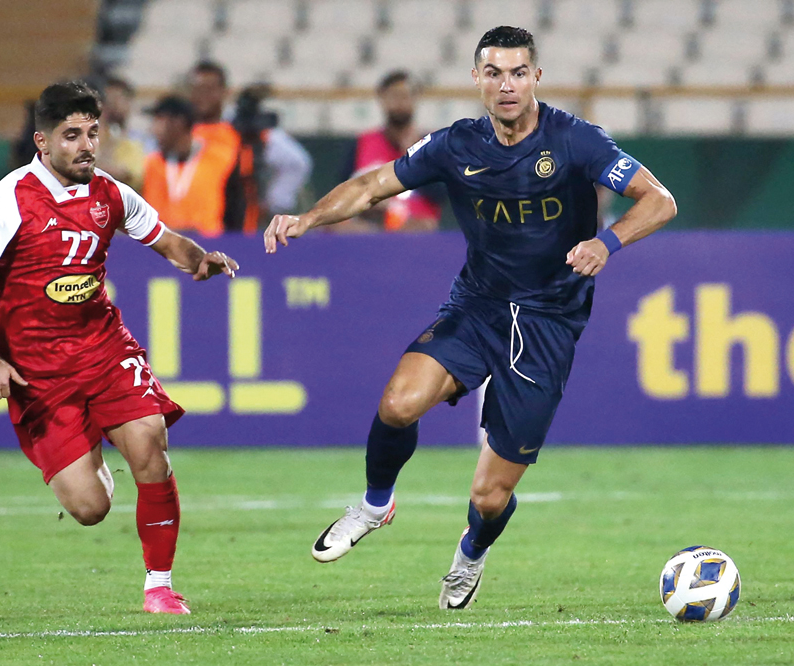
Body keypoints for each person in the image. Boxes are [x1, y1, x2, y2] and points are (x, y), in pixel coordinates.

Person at [264, 27, 677, 609]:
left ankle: (471, 554)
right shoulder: (455, 145)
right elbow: (373, 185)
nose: (505, 85)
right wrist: (307, 218)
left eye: (517, 73)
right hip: (479, 304)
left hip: (548, 322)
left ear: (535, 77)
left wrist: (607, 242)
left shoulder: (578, 141)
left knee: (489, 496)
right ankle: (375, 504)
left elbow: (660, 199)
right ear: (477, 79)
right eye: (493, 73)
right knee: (398, 404)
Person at [0, 81, 239, 614]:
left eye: (93, 133)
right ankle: (90, 453)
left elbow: (167, 239)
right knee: (89, 508)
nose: (86, 145)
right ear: (42, 142)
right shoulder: (10, 200)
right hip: (39, 373)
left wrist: (199, 258)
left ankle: (159, 586)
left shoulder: (111, 193)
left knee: (150, 442)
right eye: (71, 135)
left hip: (104, 350)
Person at [190, 61, 311, 233]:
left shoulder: (242, 130)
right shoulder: (183, 129)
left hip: (235, 221)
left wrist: (273, 203)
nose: (203, 96)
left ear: (224, 91)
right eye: (197, 89)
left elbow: (296, 162)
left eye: (209, 89)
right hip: (190, 222)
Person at [342, 70, 443, 233]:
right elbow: (343, 192)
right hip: (369, 228)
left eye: (406, 96)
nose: (400, 102)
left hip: (414, 229)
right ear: (382, 99)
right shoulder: (363, 143)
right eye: (394, 96)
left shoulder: (431, 146)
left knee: (423, 227)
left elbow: (440, 195)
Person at [141, 95, 244, 236]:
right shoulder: (153, 163)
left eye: (159, 121)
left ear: (178, 123)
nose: (153, 130)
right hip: (160, 249)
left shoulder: (220, 159)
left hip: (209, 247)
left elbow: (236, 208)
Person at [95, 76, 146, 189]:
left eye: (117, 99)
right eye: (108, 100)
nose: (112, 105)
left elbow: (131, 174)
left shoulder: (136, 140)